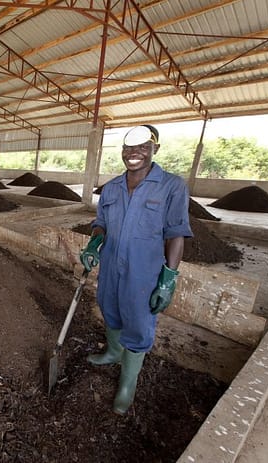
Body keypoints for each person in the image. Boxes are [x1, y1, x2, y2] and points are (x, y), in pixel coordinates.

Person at [80, 125, 192, 415]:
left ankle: (127, 385)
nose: (134, 153)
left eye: (142, 147)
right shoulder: (112, 187)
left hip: (144, 273)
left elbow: (176, 233)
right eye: (129, 148)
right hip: (111, 267)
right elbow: (101, 222)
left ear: (155, 149)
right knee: (110, 308)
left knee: (139, 325)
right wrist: (94, 244)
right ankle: (113, 352)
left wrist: (168, 279)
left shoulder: (172, 186)